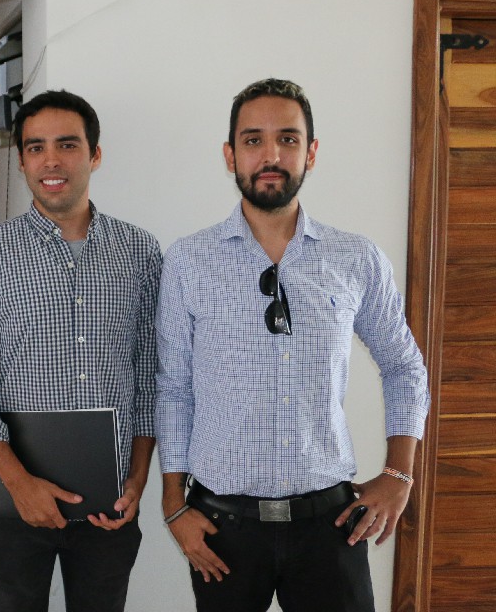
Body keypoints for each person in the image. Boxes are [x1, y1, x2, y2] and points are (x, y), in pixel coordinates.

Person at [155, 78, 431, 612]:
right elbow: (173, 388)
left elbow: (404, 366)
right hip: (222, 527)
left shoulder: (356, 258)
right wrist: (174, 506)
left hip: (330, 526)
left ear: (312, 152)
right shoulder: (188, 261)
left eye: (288, 138)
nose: (271, 155)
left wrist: (399, 474)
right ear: (230, 154)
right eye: (253, 140)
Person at [0, 89, 162, 612]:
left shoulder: (140, 252)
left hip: (110, 501)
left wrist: (137, 477)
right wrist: (19, 483)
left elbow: (151, 374)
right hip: (14, 497)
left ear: (95, 154)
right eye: (36, 148)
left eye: (67, 144)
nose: (51, 161)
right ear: (22, 162)